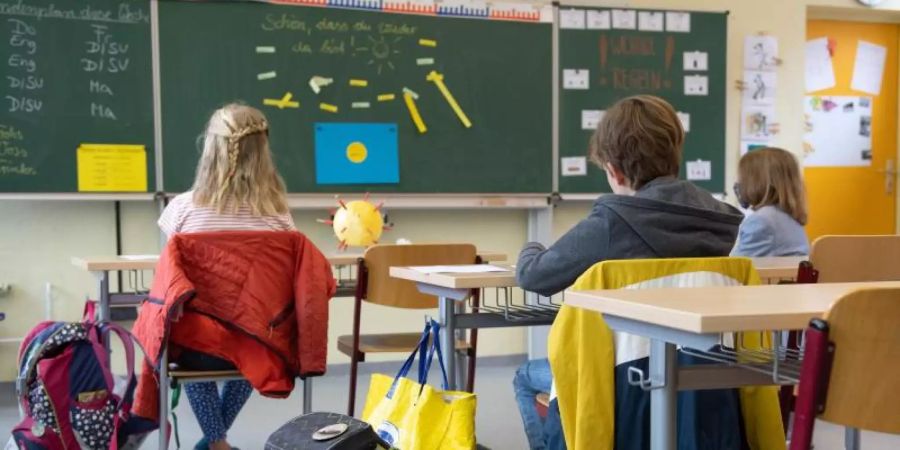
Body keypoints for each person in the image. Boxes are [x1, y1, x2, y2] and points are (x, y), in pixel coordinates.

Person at [512, 95, 744, 450]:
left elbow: (534, 276)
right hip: (705, 387)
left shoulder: (613, 223)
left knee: (525, 377)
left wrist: (530, 246)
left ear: (614, 171)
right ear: (674, 153)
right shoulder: (719, 222)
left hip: (619, 386)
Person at [157, 103, 295, 450]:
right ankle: (216, 443)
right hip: (258, 347)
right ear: (264, 153)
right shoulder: (277, 215)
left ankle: (215, 441)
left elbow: (173, 282)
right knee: (253, 331)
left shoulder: (182, 210)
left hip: (197, 349)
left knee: (193, 327)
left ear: (210, 150)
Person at [731, 147, 809, 257]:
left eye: (742, 179)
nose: (739, 184)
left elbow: (736, 267)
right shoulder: (788, 217)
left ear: (757, 182)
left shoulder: (762, 221)